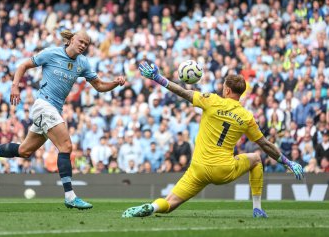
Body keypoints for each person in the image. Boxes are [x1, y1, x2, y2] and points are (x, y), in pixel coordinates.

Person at [0, 30, 125, 209]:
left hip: (54, 109)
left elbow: (99, 86)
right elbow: (23, 65)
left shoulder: (83, 63)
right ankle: (70, 196)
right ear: (71, 40)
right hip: (43, 105)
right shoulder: (52, 53)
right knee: (66, 146)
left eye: (86, 44)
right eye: (81, 41)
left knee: (25, 151)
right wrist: (15, 87)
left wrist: (115, 83)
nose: (83, 45)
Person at [122, 62, 303, 218]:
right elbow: (265, 145)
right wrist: (287, 162)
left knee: (169, 203)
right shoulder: (247, 117)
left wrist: (158, 78)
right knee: (255, 158)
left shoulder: (211, 100)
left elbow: (183, 92)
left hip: (199, 168)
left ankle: (153, 207)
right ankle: (257, 209)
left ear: (227, 89)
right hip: (223, 170)